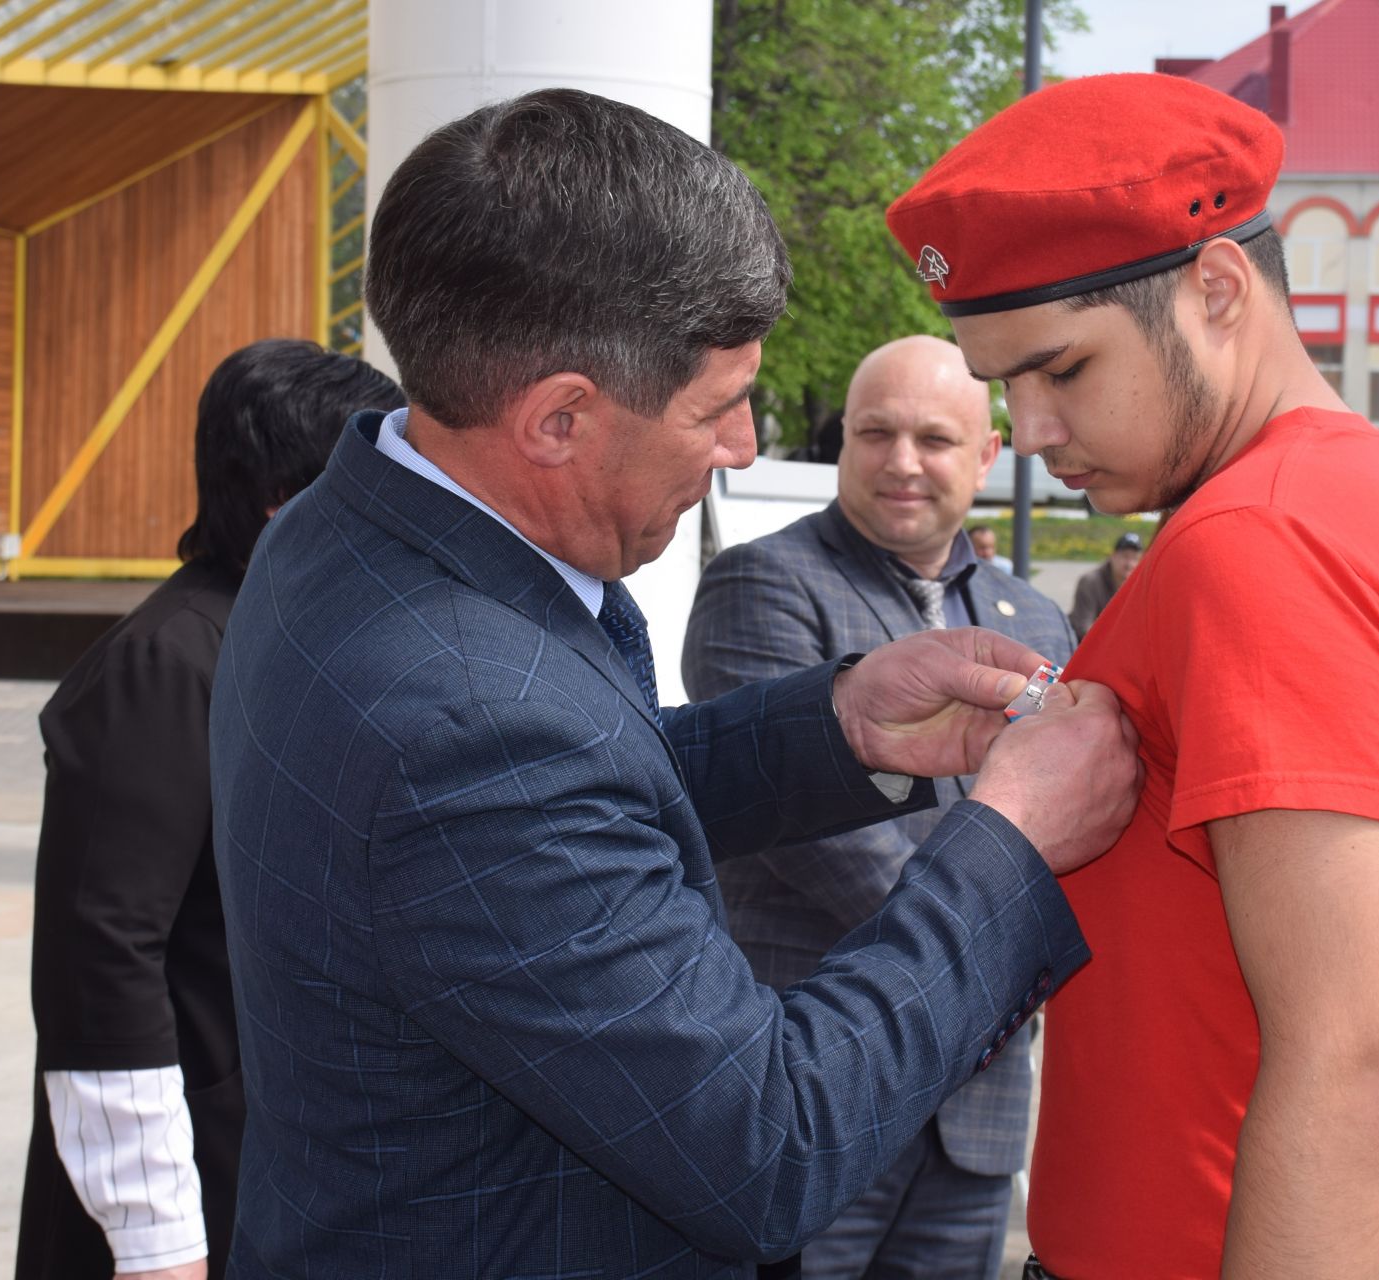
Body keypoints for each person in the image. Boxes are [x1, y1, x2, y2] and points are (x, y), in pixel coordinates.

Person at [209, 88, 1146, 1279]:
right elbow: (770, 1143)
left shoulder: (347, 527)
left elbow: (574, 812)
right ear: (558, 417)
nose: (746, 447)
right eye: (717, 407)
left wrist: (838, 724)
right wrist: (1010, 841)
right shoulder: (467, 723)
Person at [886, 72, 1379, 1277]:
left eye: (1062, 370)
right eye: (1004, 384)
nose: (1030, 431)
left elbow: (1357, 1056)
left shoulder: (1258, 538)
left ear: (1218, 287)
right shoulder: (1329, 493)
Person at [682, 335, 1074, 1279]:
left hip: (974, 1115)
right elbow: (831, 854)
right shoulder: (765, 583)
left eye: (934, 439)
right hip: (820, 1091)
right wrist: (1014, 954)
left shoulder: (1037, 618)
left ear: (986, 455)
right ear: (843, 443)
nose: (902, 461)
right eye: (875, 433)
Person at [13, 341, 405, 1280]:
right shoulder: (168, 662)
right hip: (189, 1195)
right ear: (283, 500)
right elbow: (101, 954)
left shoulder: (300, 639)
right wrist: (156, 1239)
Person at [1066, 531, 1142, 636]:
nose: (1129, 564)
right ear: (1113, 556)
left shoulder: (1140, 585)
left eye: (1135, 558)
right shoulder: (1090, 582)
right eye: (1125, 556)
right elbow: (1083, 628)